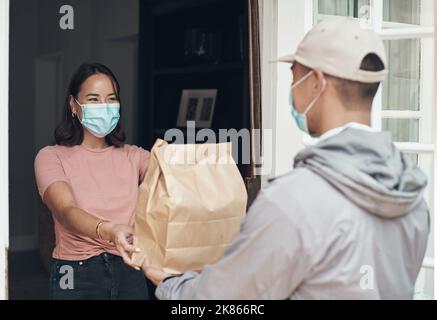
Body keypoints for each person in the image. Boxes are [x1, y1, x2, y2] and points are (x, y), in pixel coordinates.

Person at [142, 17, 430, 300]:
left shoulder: (292, 199)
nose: (292, 89)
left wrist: (170, 285)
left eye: (294, 76)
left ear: (316, 82)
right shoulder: (411, 195)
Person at [34, 62, 150, 300]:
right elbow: (66, 211)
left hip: (130, 268)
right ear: (73, 105)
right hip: (76, 275)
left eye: (111, 99)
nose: (104, 107)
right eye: (94, 99)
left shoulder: (134, 156)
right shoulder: (51, 156)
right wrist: (111, 230)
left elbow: (176, 180)